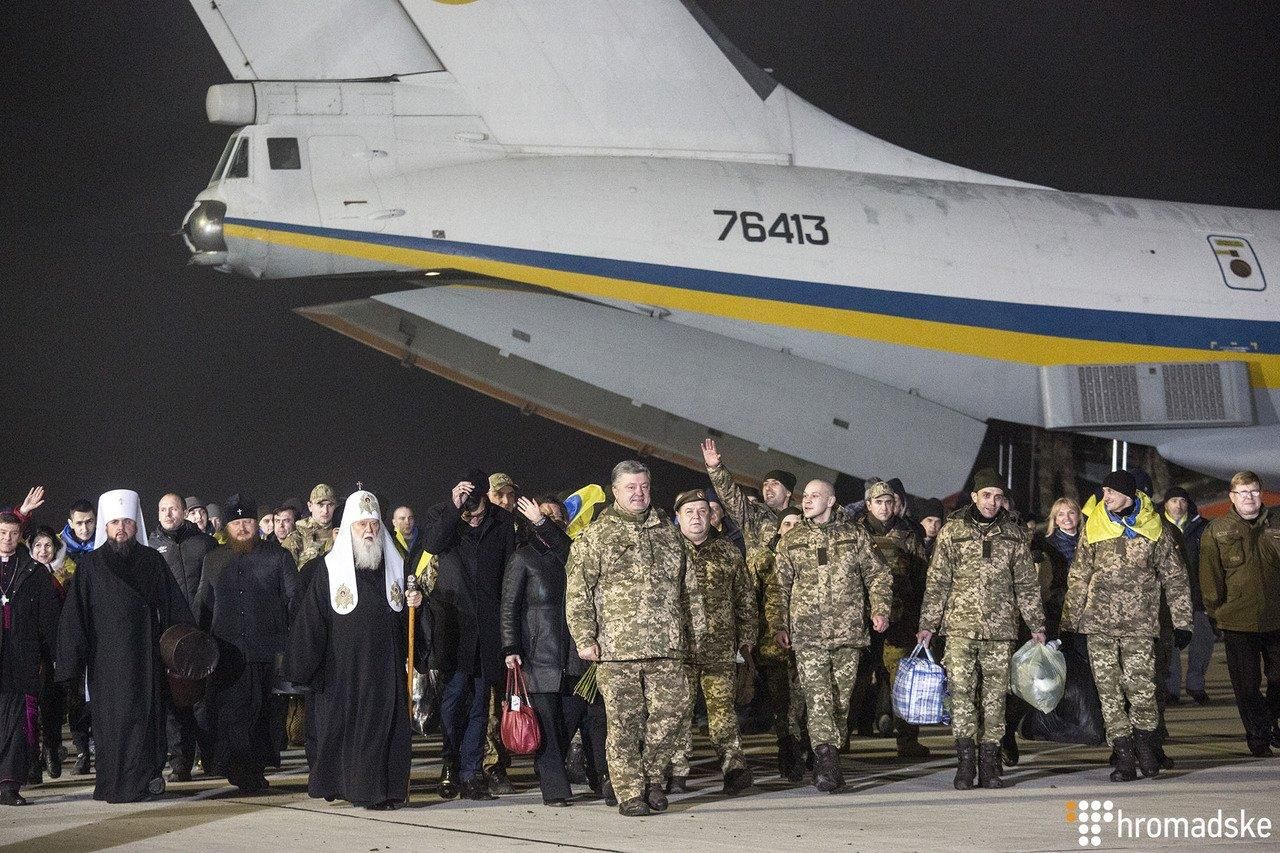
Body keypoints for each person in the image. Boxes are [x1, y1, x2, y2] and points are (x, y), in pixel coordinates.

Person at [287, 490, 429, 810]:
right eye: (362, 525)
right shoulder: (328, 569)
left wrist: (417, 607)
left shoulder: (397, 566)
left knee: (386, 730)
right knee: (350, 732)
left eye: (375, 525)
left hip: (387, 669)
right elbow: (312, 621)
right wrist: (306, 666)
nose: (369, 531)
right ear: (349, 528)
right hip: (344, 670)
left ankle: (387, 789)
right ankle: (359, 789)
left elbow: (411, 623)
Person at [566, 460, 691, 817]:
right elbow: (578, 593)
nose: (639, 494)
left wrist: (687, 635)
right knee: (624, 722)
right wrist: (585, 638)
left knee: (671, 715)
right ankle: (629, 791)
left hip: (666, 646)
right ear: (615, 491)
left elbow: (684, 589)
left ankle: (652, 779)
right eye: (631, 488)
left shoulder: (669, 532)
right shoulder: (596, 536)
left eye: (644, 487)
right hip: (616, 648)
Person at [55, 489, 194, 803]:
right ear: (105, 526)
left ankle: (146, 779)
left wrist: (186, 647)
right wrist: (70, 667)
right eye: (115, 522)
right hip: (107, 664)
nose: (121, 528)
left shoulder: (152, 561)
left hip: (147, 660)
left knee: (146, 723)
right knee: (112, 727)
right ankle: (112, 783)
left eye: (127, 522)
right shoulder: (90, 567)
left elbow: (175, 609)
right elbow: (76, 618)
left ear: (136, 524)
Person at [918, 469, 1045, 791]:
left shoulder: (1014, 535)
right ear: (974, 496)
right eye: (986, 495)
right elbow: (938, 582)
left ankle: (990, 764)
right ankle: (965, 764)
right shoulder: (952, 532)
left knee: (994, 699)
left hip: (1000, 630)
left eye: (998, 496)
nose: (992, 502)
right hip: (959, 629)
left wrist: (1036, 626)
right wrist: (927, 625)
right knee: (960, 696)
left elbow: (1027, 585)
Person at [1061, 470, 1193, 782]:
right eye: (1104, 491)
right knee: (1109, 693)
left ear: (1128, 495)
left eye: (1111, 492)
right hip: (1100, 626)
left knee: (1143, 690)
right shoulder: (1093, 527)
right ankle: (1123, 756)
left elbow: (1175, 577)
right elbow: (1078, 577)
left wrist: (1182, 621)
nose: (1105, 498)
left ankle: (1146, 748)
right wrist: (1069, 623)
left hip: (1140, 626)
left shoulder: (1155, 528)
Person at [772, 479, 892, 793]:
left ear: (831, 500)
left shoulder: (854, 535)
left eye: (815, 495)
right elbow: (778, 588)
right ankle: (825, 761)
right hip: (807, 634)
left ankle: (830, 753)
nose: (807, 500)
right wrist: (779, 625)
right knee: (817, 698)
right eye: (806, 495)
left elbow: (878, 573)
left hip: (848, 633)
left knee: (840, 700)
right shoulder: (791, 540)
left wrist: (880, 609)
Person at [422, 470, 517, 801]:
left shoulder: (502, 522)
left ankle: (471, 772)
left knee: (479, 702)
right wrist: (454, 506)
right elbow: (432, 544)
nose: (472, 514)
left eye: (477, 505)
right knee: (452, 698)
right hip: (454, 626)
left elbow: (508, 574)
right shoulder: (444, 515)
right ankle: (449, 765)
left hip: (488, 628)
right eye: (468, 504)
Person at [195, 495, 297, 792]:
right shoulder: (214, 559)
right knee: (232, 716)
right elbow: (204, 604)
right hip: (227, 655)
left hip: (266, 652)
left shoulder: (278, 557)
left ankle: (254, 769)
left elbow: (294, 599)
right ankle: (241, 770)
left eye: (248, 522)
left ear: (257, 524)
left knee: (263, 716)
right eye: (236, 523)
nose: (242, 528)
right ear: (227, 527)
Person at [500, 495, 591, 807]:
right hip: (538, 653)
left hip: (574, 653)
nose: (547, 519)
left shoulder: (572, 555)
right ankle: (555, 788)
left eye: (553, 516)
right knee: (547, 721)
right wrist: (510, 647)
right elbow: (509, 607)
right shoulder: (522, 558)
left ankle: (547, 764)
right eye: (541, 515)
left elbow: (571, 552)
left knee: (570, 715)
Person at [668, 489, 756, 794]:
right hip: (678, 649)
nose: (696, 517)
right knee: (678, 712)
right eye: (689, 512)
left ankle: (734, 769)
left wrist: (746, 640)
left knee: (723, 713)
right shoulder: (668, 550)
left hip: (719, 649)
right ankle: (677, 772)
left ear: (712, 516)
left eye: (702, 511)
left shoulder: (728, 552)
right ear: (677, 517)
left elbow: (745, 599)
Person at [1199, 471, 1280, 757]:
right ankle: (1258, 736)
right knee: (1246, 687)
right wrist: (1216, 611)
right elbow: (1209, 575)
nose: (1250, 498)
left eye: (1254, 492)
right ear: (1232, 497)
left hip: (1276, 618)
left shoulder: (1276, 524)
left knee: (1278, 679)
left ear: (1261, 493)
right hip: (1237, 621)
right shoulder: (1218, 531)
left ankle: (1272, 722)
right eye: (1243, 493)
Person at [859, 480, 931, 758]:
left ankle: (908, 740)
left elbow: (920, 576)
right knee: (856, 680)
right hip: (863, 620)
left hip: (900, 620)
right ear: (869, 505)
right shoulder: (857, 533)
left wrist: (920, 618)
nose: (885, 508)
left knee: (902, 682)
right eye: (879, 502)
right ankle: (840, 739)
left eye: (889, 502)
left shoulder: (907, 533)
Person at [149, 492, 217, 782]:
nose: (168, 514)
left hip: (202, 631)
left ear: (184, 512)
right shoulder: (150, 546)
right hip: (169, 637)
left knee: (204, 701)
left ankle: (212, 758)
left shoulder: (203, 543)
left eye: (173, 509)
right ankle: (180, 764)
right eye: (162, 509)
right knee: (175, 704)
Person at [0, 512, 61, 805]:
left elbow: (50, 621)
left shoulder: (34, 572)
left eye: (13, 533)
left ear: (20, 536)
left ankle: (10, 785)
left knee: (20, 722)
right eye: (2, 533)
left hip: (24, 659)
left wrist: (56, 657)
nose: (7, 539)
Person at [751, 507, 807, 781]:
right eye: (787, 524)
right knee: (783, 704)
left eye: (798, 523)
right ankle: (789, 751)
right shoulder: (763, 559)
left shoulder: (811, 555)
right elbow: (749, 601)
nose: (792, 529)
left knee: (805, 701)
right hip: (772, 646)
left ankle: (806, 748)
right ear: (778, 529)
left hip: (808, 641)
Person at [700, 439, 796, 558]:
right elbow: (731, 496)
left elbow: (820, 547)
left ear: (788, 492)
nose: (768, 488)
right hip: (760, 576)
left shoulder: (802, 519)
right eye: (765, 484)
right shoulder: (755, 514)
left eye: (775, 483)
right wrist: (716, 469)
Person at [1162, 486, 1211, 706]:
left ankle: (1196, 684)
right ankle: (1172, 689)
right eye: (1173, 500)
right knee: (1172, 645)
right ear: (1165, 504)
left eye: (1182, 500)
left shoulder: (1202, 527)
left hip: (1198, 595)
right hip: (1168, 598)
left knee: (1202, 642)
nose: (1178, 505)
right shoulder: (1158, 527)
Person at [60, 498, 98, 774]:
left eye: (89, 522)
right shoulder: (59, 549)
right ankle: (82, 748)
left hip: (99, 630)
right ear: (70, 523)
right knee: (74, 695)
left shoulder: (104, 547)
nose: (84, 528)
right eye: (79, 523)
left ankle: (100, 743)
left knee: (99, 691)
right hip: (71, 631)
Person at [27, 526, 67, 780]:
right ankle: (32, 760)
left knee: (53, 705)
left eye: (48, 546)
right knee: (32, 708)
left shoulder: (64, 575)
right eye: (38, 546)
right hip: (32, 651)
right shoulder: (24, 575)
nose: (43, 551)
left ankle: (52, 749)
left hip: (56, 649)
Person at [285, 484, 337, 567]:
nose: (325, 511)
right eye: (320, 505)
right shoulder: (298, 533)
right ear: (310, 506)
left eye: (330, 505)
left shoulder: (341, 531)